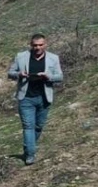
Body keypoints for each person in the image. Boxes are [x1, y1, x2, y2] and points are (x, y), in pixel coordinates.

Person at [7, 34, 64, 166]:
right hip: (25, 98)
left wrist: (48, 77)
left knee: (38, 126)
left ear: (45, 44)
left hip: (44, 98)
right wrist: (19, 74)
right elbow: (10, 73)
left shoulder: (53, 58)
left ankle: (29, 147)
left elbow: (59, 76)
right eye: (35, 45)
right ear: (31, 45)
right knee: (28, 126)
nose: (37, 47)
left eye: (40, 45)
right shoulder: (21, 56)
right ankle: (30, 154)